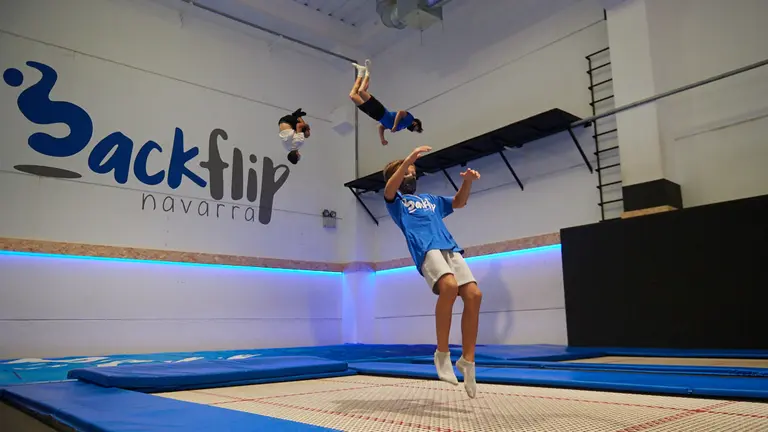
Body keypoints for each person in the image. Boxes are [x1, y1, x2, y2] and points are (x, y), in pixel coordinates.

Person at [382, 145, 482, 398]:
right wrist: (408, 159)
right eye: (407, 172)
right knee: (448, 287)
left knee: (473, 295)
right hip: (426, 249)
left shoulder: (432, 200)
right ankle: (442, 353)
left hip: (449, 246)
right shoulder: (398, 203)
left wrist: (468, 182)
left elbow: (459, 202)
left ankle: (467, 361)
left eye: (414, 172)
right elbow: (389, 189)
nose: (411, 175)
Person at [349, 60, 422, 146]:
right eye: (416, 128)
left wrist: (382, 139)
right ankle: (368, 72)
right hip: (381, 111)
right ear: (415, 123)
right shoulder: (409, 119)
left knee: (353, 95)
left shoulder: (400, 128)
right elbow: (401, 112)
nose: (414, 130)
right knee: (361, 91)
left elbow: (381, 127)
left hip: (375, 116)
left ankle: (360, 72)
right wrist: (394, 125)